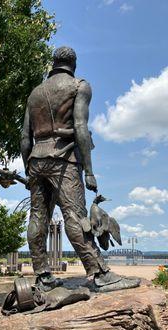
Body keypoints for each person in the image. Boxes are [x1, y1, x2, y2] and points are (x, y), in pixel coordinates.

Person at [21, 46, 137, 292]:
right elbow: (81, 128)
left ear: (54, 63)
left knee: (37, 217)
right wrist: (89, 170)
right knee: (75, 216)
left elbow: (24, 138)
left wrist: (28, 170)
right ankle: (98, 273)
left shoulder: (34, 94)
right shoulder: (79, 86)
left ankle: (43, 276)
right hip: (64, 159)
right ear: (74, 64)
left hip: (36, 159)